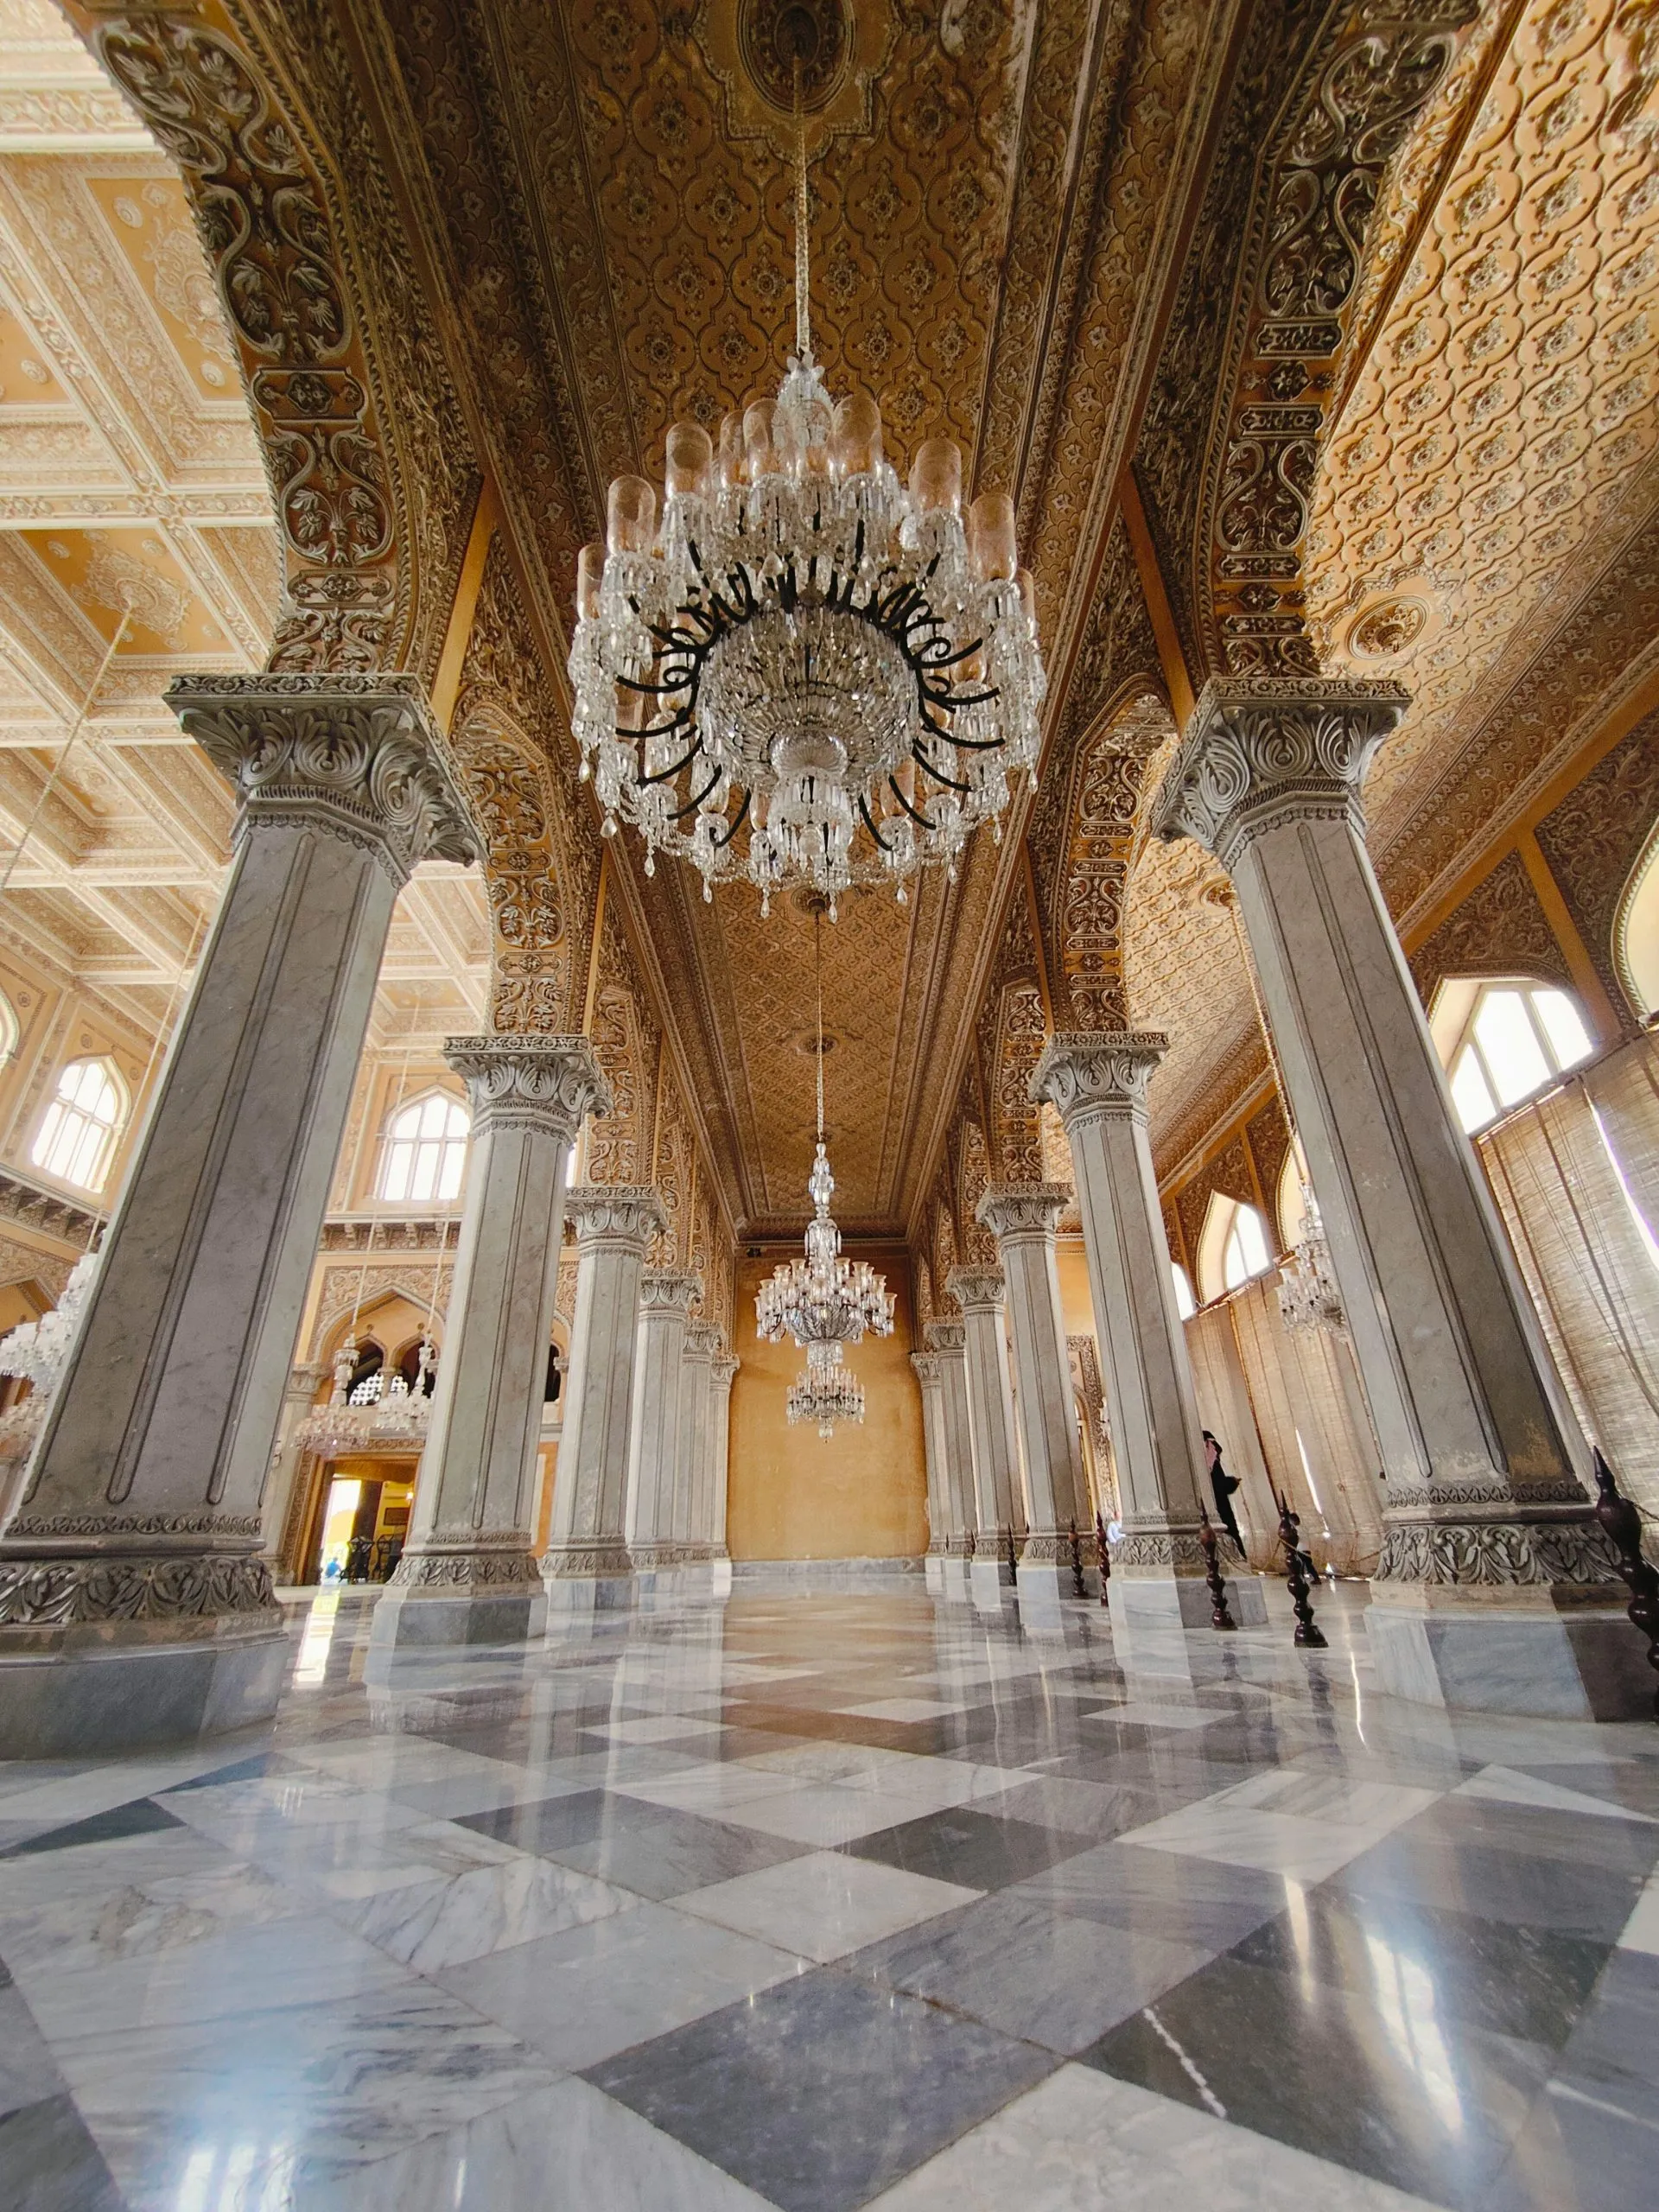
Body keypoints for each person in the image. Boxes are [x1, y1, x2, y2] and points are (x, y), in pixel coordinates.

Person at [1203, 1429, 1244, 1554]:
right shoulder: (1210, 1462)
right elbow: (1219, 1485)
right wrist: (1232, 1482)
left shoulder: (1212, 1462)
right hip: (1218, 1509)